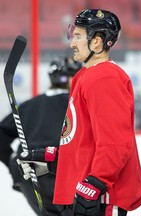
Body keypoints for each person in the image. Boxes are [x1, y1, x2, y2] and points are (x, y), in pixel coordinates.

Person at [48, 9, 141, 216]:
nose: (72, 43)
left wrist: (96, 182)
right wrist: (52, 156)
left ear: (97, 42)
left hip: (101, 197)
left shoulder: (104, 77)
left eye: (78, 36)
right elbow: (83, 138)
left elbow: (116, 142)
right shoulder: (85, 75)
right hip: (83, 193)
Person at [0, 56, 82, 216]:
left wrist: (13, 164)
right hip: (62, 172)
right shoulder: (77, 104)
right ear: (71, 78)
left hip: (28, 172)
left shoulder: (30, 105)